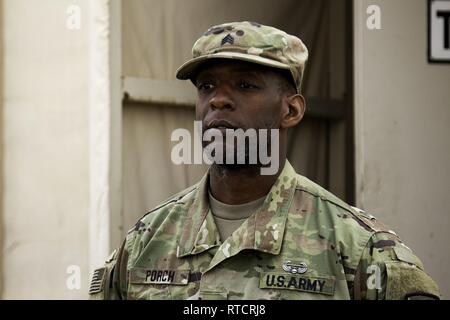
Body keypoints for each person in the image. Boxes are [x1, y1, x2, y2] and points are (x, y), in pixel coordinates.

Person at [89, 21, 440, 300]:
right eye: (207, 87)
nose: (218, 101)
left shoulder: (361, 251)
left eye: (245, 85)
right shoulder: (144, 244)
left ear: (291, 109)